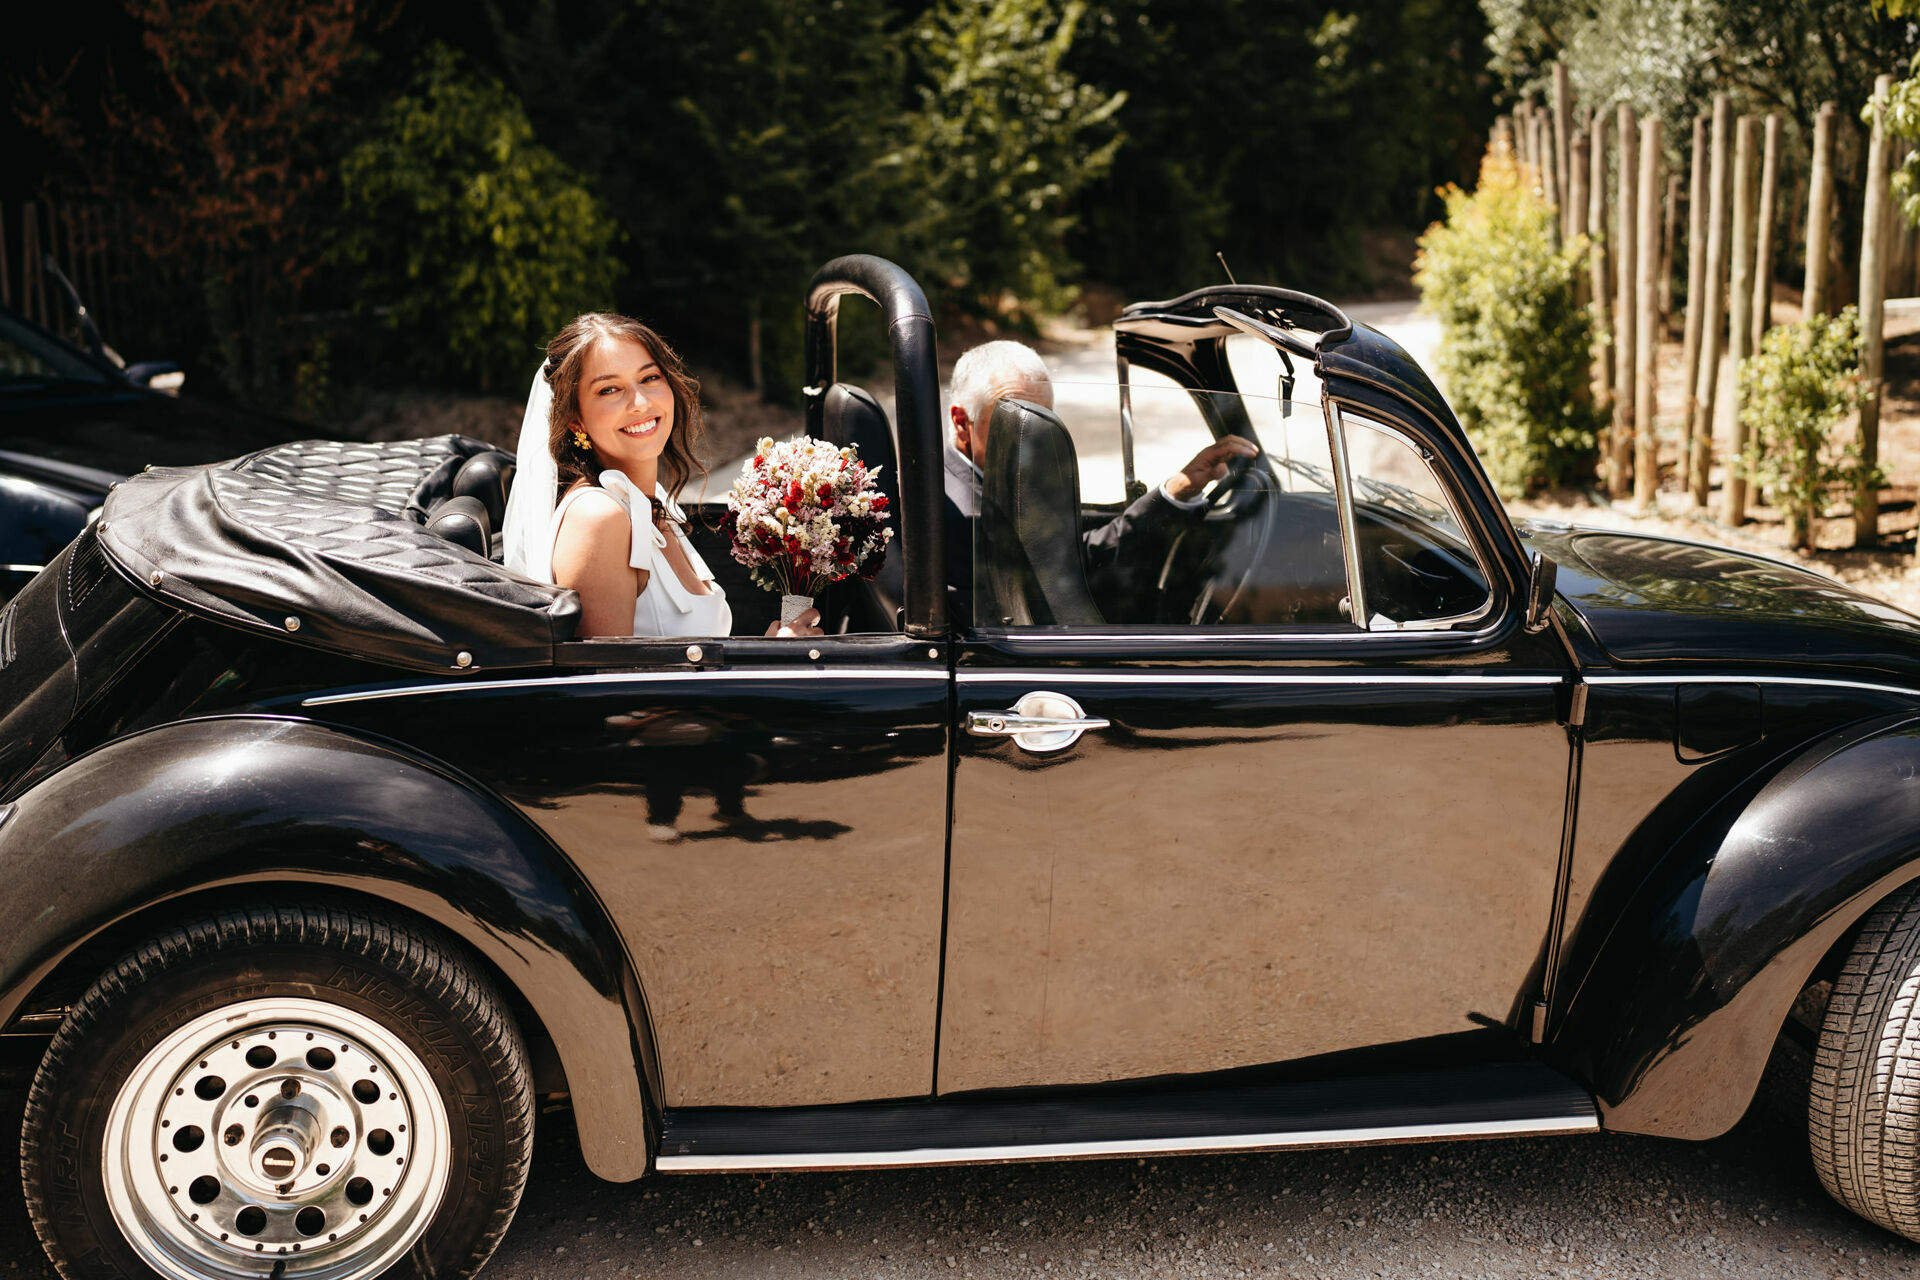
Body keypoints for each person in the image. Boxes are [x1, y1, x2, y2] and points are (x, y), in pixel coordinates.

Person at [502, 312, 820, 638]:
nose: (640, 402)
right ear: (576, 421)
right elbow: (611, 685)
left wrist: (771, 651)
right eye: (610, 389)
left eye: (650, 378)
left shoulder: (651, 502)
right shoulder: (599, 518)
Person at [943, 340, 1259, 614]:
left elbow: (1072, 523)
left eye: (1042, 421)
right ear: (961, 422)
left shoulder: (993, 475)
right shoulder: (962, 516)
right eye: (1016, 424)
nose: (1035, 440)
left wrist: (1175, 492)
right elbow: (1072, 561)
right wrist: (1171, 495)